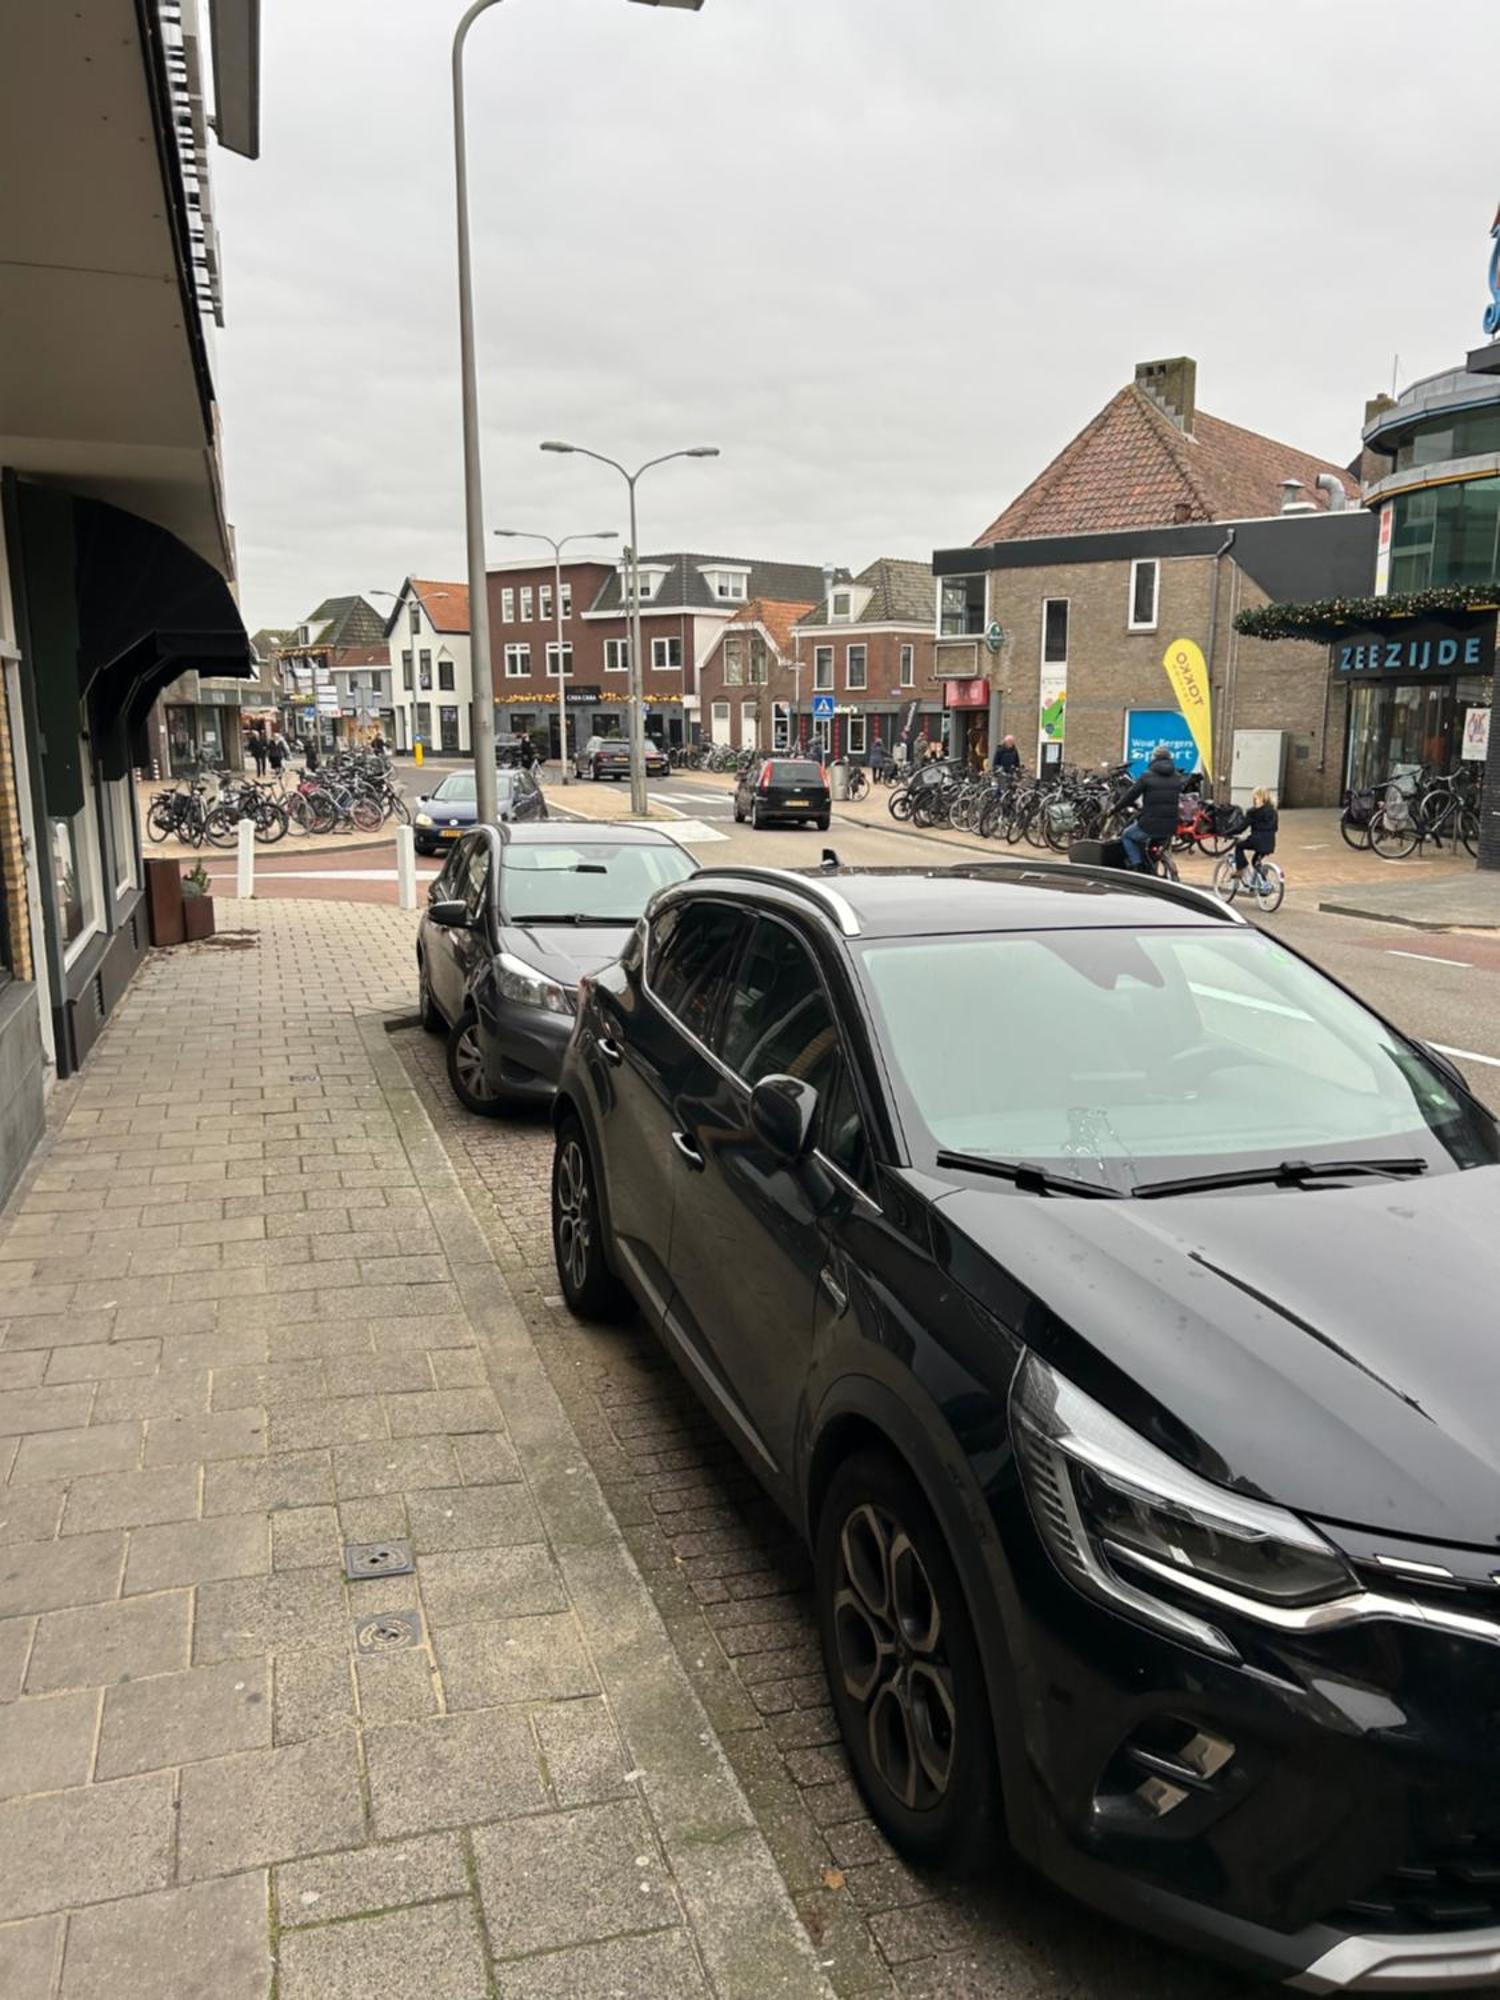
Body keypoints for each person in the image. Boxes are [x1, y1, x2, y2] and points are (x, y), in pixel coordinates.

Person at [1118, 745, 1189, 872]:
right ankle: (1153, 864)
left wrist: (1115, 809)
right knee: (1152, 843)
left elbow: (1130, 796)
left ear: (1154, 758)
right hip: (1171, 825)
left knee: (1127, 836)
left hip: (1150, 824)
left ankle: (1137, 865)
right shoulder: (1177, 777)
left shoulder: (1147, 776)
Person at [1234, 787, 1279, 887]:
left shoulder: (1253, 812)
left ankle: (1240, 870)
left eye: (1254, 797)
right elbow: (1275, 828)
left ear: (1258, 798)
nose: (1253, 799)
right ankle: (1262, 880)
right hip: (1270, 842)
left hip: (1257, 841)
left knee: (1239, 846)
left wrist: (1228, 832)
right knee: (1255, 862)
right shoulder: (1273, 811)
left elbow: (1242, 827)